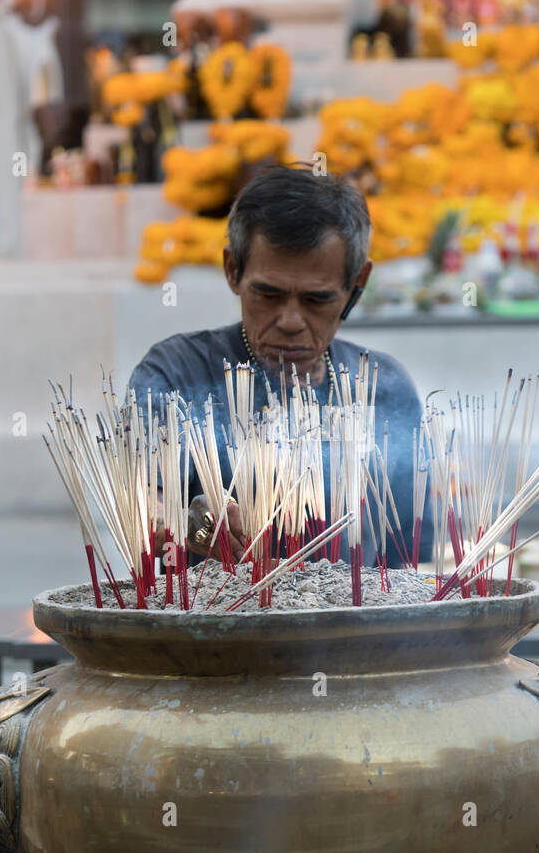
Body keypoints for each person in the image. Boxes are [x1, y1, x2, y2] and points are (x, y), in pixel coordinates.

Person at [128, 164, 430, 566]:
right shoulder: (178, 374)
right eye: (268, 295)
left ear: (358, 283)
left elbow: (413, 557)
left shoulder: (383, 389)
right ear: (233, 270)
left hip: (347, 628)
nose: (290, 321)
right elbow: (142, 505)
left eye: (316, 299)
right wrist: (193, 528)